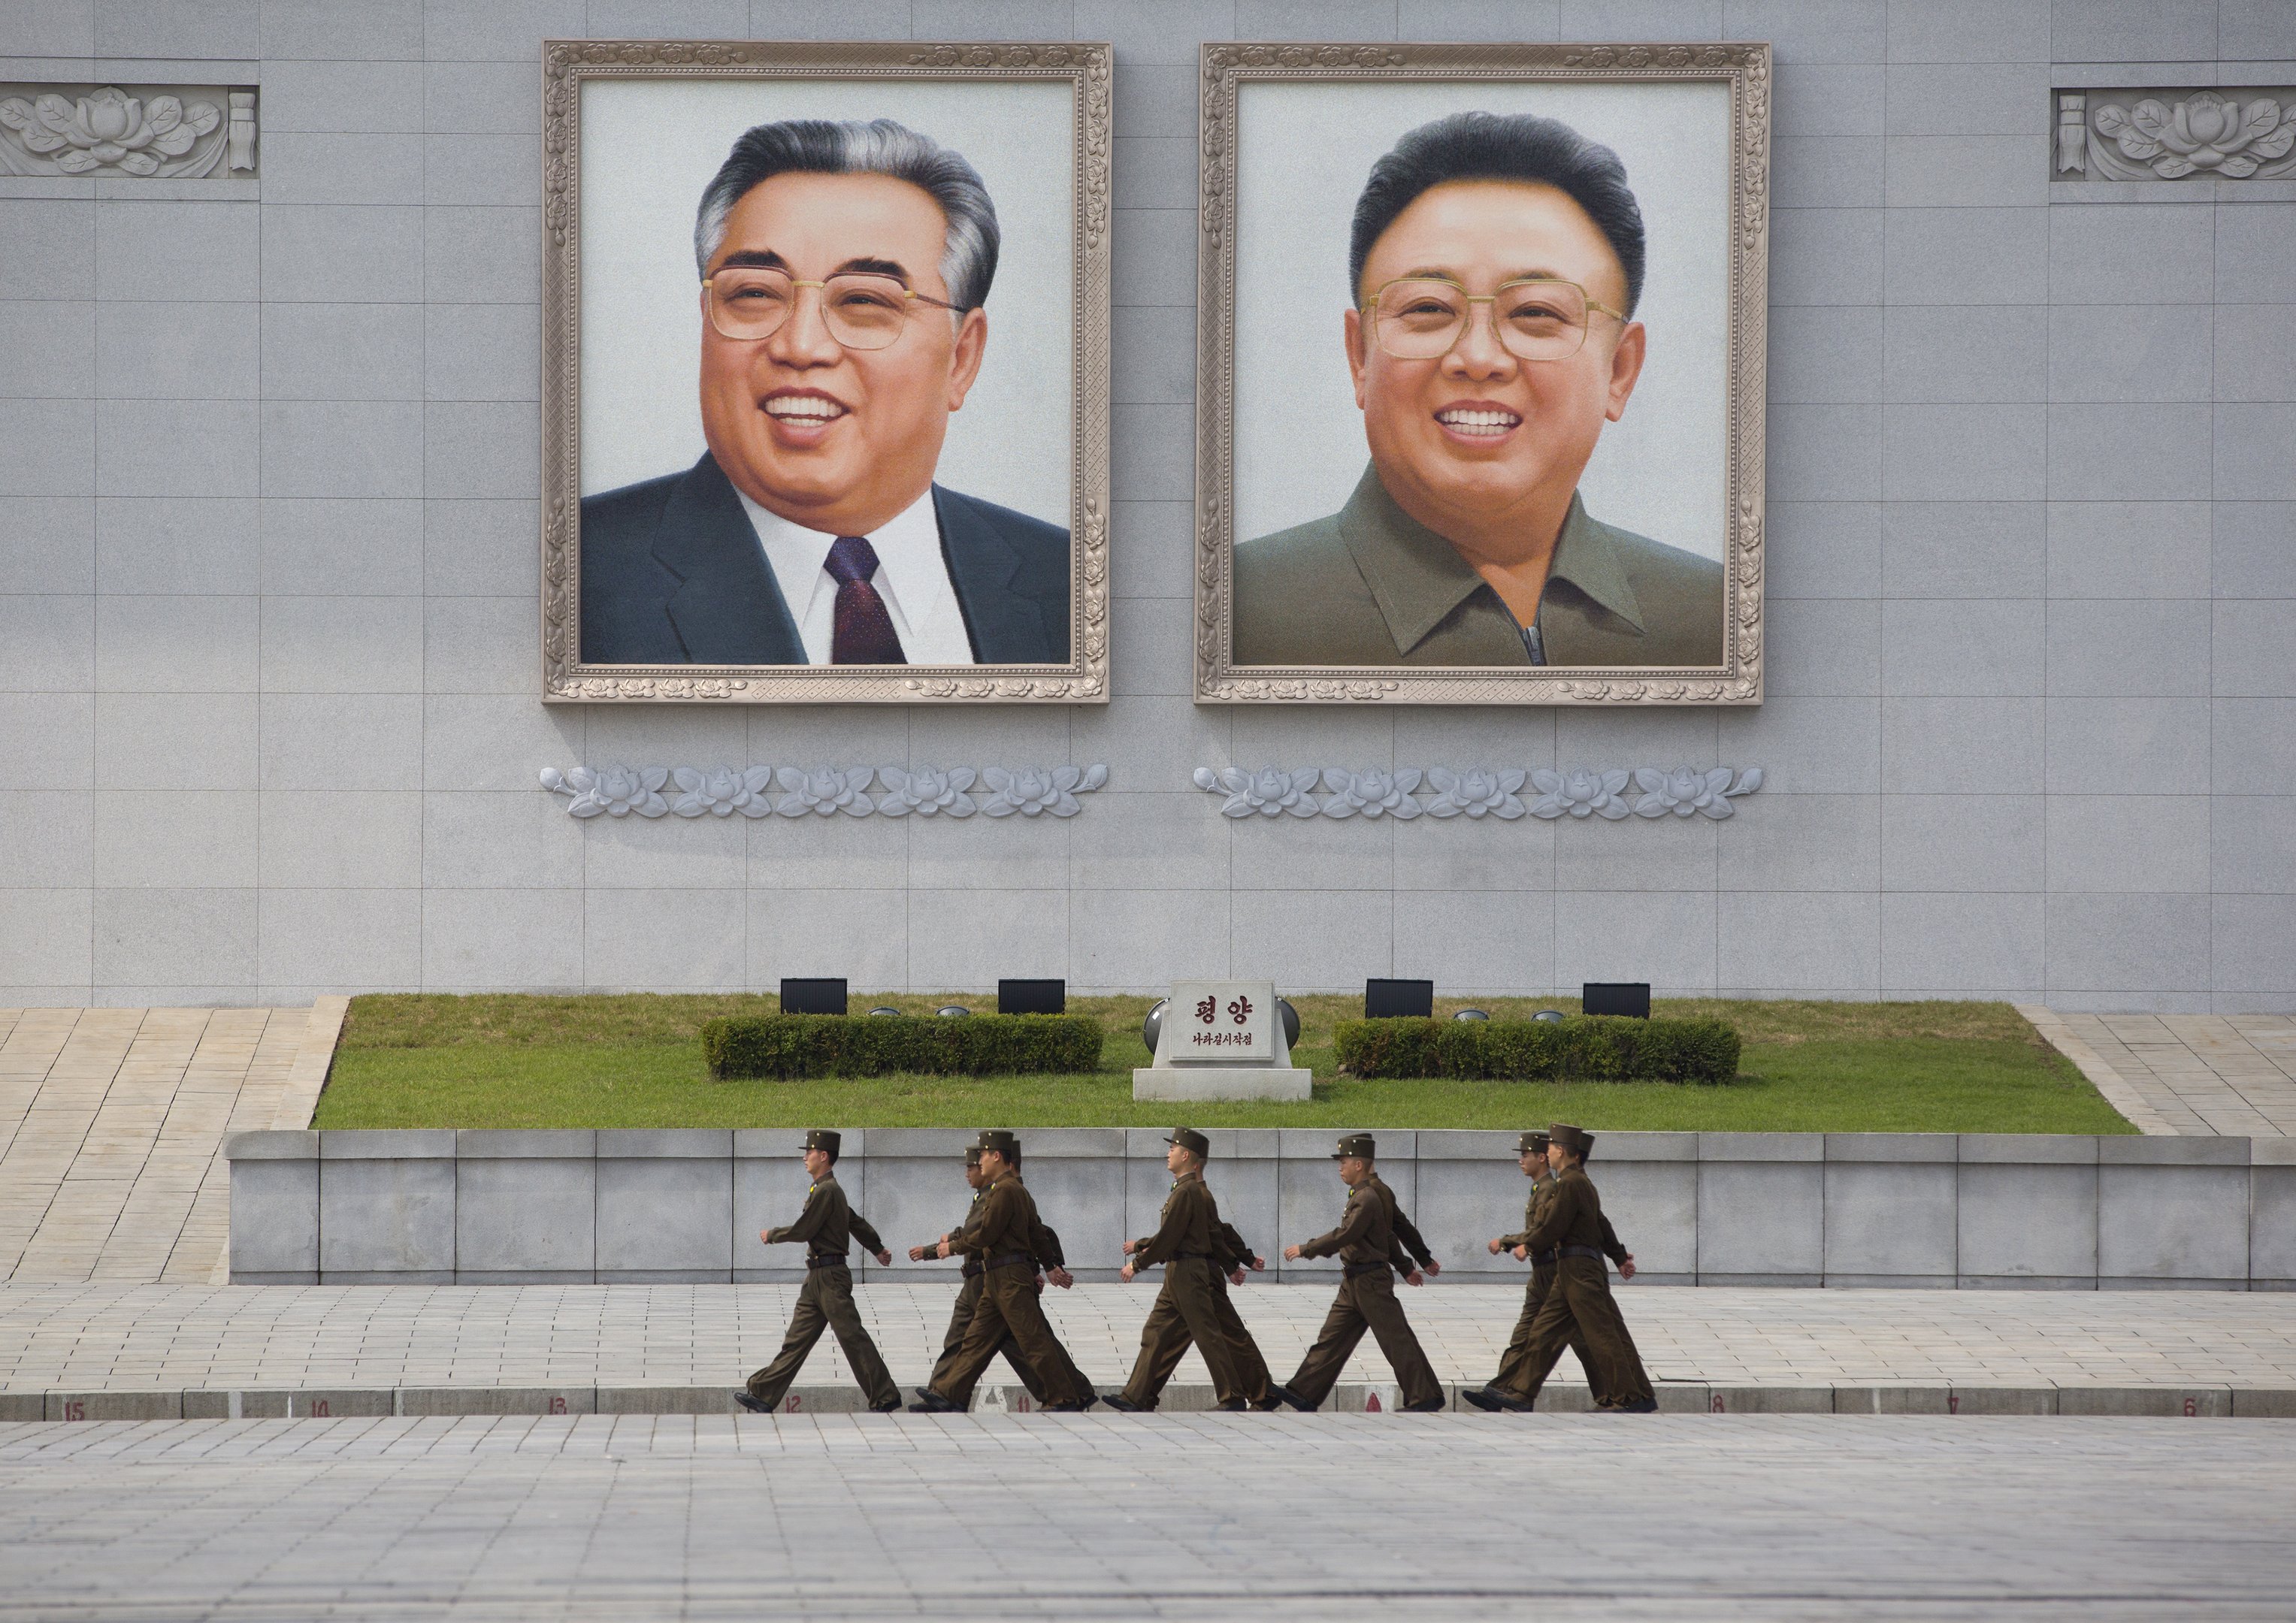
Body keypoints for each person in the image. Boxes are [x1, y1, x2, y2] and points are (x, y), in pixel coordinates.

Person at [1233, 110, 1723, 669]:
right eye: (1428, 309)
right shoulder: (1238, 612)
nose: (1479, 358)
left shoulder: (1713, 617)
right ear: (1359, 357)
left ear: (1619, 372)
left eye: (1535, 312)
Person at [581, 116, 1071, 666]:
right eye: (754, 294)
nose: (801, 346)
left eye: (864, 301)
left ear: (962, 358)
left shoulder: (1069, 582)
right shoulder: (575, 572)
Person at [1475, 1123, 1657, 1413]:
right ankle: (1521, 1393)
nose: (1546, 1151)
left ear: (1561, 1151)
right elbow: (1602, 1224)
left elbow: (1554, 1224)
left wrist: (1529, 1245)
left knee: (1602, 1336)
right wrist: (1620, 1257)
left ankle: (1632, 1396)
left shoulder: (1571, 1184)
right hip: (1571, 1270)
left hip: (1580, 1271)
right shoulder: (1578, 1182)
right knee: (1544, 1333)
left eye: (1549, 1148)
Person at [910, 1130, 1093, 1413]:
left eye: (983, 1155)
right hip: (997, 1279)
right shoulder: (1007, 1190)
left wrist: (951, 1248)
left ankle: (1065, 1397)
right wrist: (1051, 1267)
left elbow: (987, 1234)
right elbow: (1038, 1235)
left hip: (1010, 1278)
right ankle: (948, 1393)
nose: (979, 1161)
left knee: (1033, 1340)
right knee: (975, 1341)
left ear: (997, 1156)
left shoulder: (1007, 1190)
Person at [1269, 1134, 1445, 1413]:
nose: (1340, 1167)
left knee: (1395, 1339)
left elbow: (1354, 1233)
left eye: (1344, 1162)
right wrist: (1409, 1266)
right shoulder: (1364, 1193)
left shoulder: (1369, 1196)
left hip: (1370, 1280)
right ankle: (1304, 1392)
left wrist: (1307, 1248)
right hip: (1354, 1280)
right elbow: (1389, 1233)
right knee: (1332, 1338)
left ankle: (1425, 1396)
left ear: (1360, 1164)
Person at [1106, 1129, 1273, 1413]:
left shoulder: (1188, 1192)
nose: (1168, 1153)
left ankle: (1233, 1396)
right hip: (1179, 1271)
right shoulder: (1185, 1191)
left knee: (1209, 1335)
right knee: (1157, 1333)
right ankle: (1137, 1396)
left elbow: (1176, 1236)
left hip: (1189, 1271)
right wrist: (1235, 1263)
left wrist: (1137, 1264)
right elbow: (1211, 1233)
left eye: (1173, 1148)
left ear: (1187, 1156)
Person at [737, 1129, 900, 1414]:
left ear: (823, 1156)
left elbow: (805, 1229)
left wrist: (773, 1234)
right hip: (817, 1278)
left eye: (809, 1152)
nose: (805, 1158)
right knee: (796, 1341)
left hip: (831, 1277)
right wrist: (877, 1248)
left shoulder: (828, 1190)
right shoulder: (824, 1190)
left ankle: (885, 1396)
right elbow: (855, 1221)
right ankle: (763, 1394)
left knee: (852, 1338)